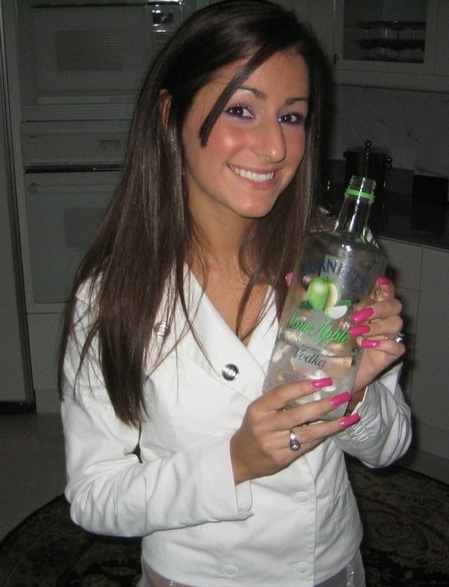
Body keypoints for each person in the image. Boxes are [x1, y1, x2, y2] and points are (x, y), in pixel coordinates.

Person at [58, 1, 412, 586]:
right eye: (241, 110)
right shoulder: (114, 293)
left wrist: (350, 387)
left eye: (292, 117)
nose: (274, 148)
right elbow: (94, 495)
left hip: (326, 567)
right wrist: (233, 462)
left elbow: (390, 445)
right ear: (170, 114)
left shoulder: (335, 260)